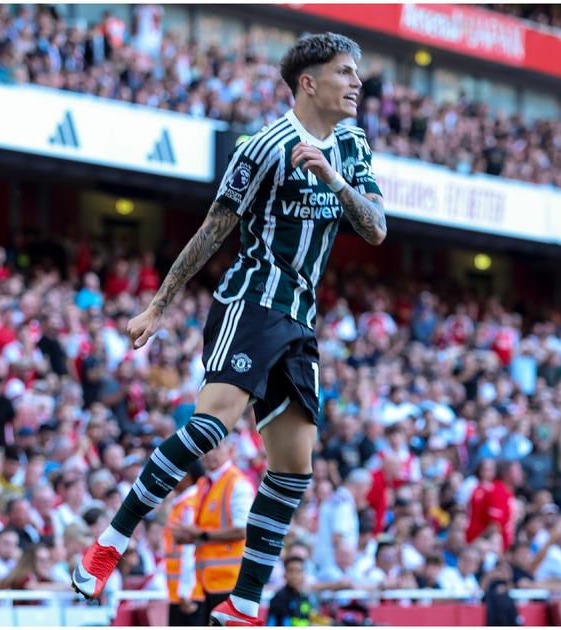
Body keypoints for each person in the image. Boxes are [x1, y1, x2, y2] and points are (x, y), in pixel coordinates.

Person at [72, 31, 387, 627]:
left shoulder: (352, 144)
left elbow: (375, 230)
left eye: (357, 73)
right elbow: (212, 230)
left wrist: (334, 180)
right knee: (209, 426)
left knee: (294, 467)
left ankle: (243, 604)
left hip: (300, 319)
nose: (357, 83)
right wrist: (160, 306)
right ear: (309, 83)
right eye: (346, 72)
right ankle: (110, 541)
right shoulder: (262, 147)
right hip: (252, 302)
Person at [181, 441, 255, 619]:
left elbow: (243, 530)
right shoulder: (204, 484)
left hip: (230, 582)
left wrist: (200, 535)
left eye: (217, 447)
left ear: (230, 450)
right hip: (206, 581)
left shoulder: (237, 484)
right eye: (206, 448)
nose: (210, 453)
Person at [164, 462, 206, 626]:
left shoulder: (189, 504)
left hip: (188, 593)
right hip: (183, 591)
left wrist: (184, 592)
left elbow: (189, 549)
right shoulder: (184, 503)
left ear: (187, 477)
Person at [466, 460, 521, 551]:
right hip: (486, 547)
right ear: (506, 473)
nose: (520, 473)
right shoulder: (497, 491)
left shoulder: (506, 492)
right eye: (517, 470)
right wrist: (474, 544)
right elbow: (494, 526)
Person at [267, 556, 322, 626]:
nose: (294, 576)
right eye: (291, 570)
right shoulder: (279, 598)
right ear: (284, 574)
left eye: (298, 571)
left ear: (303, 574)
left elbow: (306, 620)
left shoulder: (304, 597)